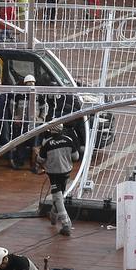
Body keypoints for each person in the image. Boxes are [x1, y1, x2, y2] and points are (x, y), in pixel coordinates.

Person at [34, 100, 83, 236]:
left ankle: (66, 223)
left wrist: (38, 158)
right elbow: (76, 157)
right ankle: (53, 217)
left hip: (54, 173)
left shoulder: (47, 144)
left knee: (57, 197)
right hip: (66, 171)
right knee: (60, 193)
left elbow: (40, 159)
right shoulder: (69, 140)